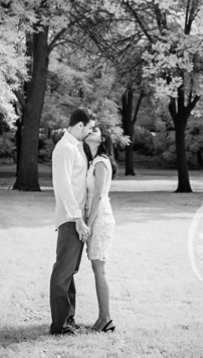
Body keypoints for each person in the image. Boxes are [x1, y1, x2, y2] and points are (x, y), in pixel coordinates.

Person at [48, 107, 95, 335]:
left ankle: (68, 318)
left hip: (76, 218)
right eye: (89, 128)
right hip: (69, 219)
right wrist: (77, 219)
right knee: (63, 271)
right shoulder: (65, 149)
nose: (89, 132)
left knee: (70, 271)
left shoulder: (76, 148)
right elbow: (63, 187)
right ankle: (60, 325)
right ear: (80, 125)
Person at [84, 127, 117, 333]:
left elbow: (98, 197)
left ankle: (106, 319)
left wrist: (87, 223)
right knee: (97, 269)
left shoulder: (101, 162)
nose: (89, 130)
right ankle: (102, 318)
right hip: (95, 216)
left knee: (99, 268)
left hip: (100, 218)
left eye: (94, 129)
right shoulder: (94, 161)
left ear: (102, 138)